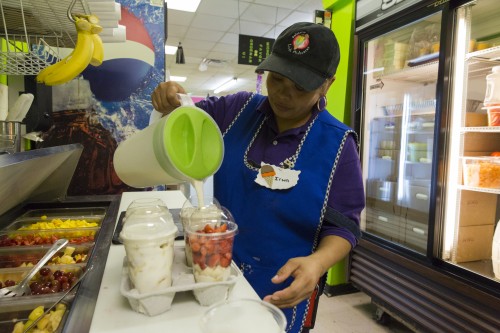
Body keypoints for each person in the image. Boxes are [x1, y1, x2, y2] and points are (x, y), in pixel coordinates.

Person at [152, 22, 364, 333]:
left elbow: (344, 225)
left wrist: (318, 264)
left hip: (281, 289)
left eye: (300, 86)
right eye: (277, 79)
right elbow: (185, 118)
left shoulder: (338, 145)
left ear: (327, 85)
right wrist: (169, 99)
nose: (283, 94)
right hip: (215, 275)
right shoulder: (236, 110)